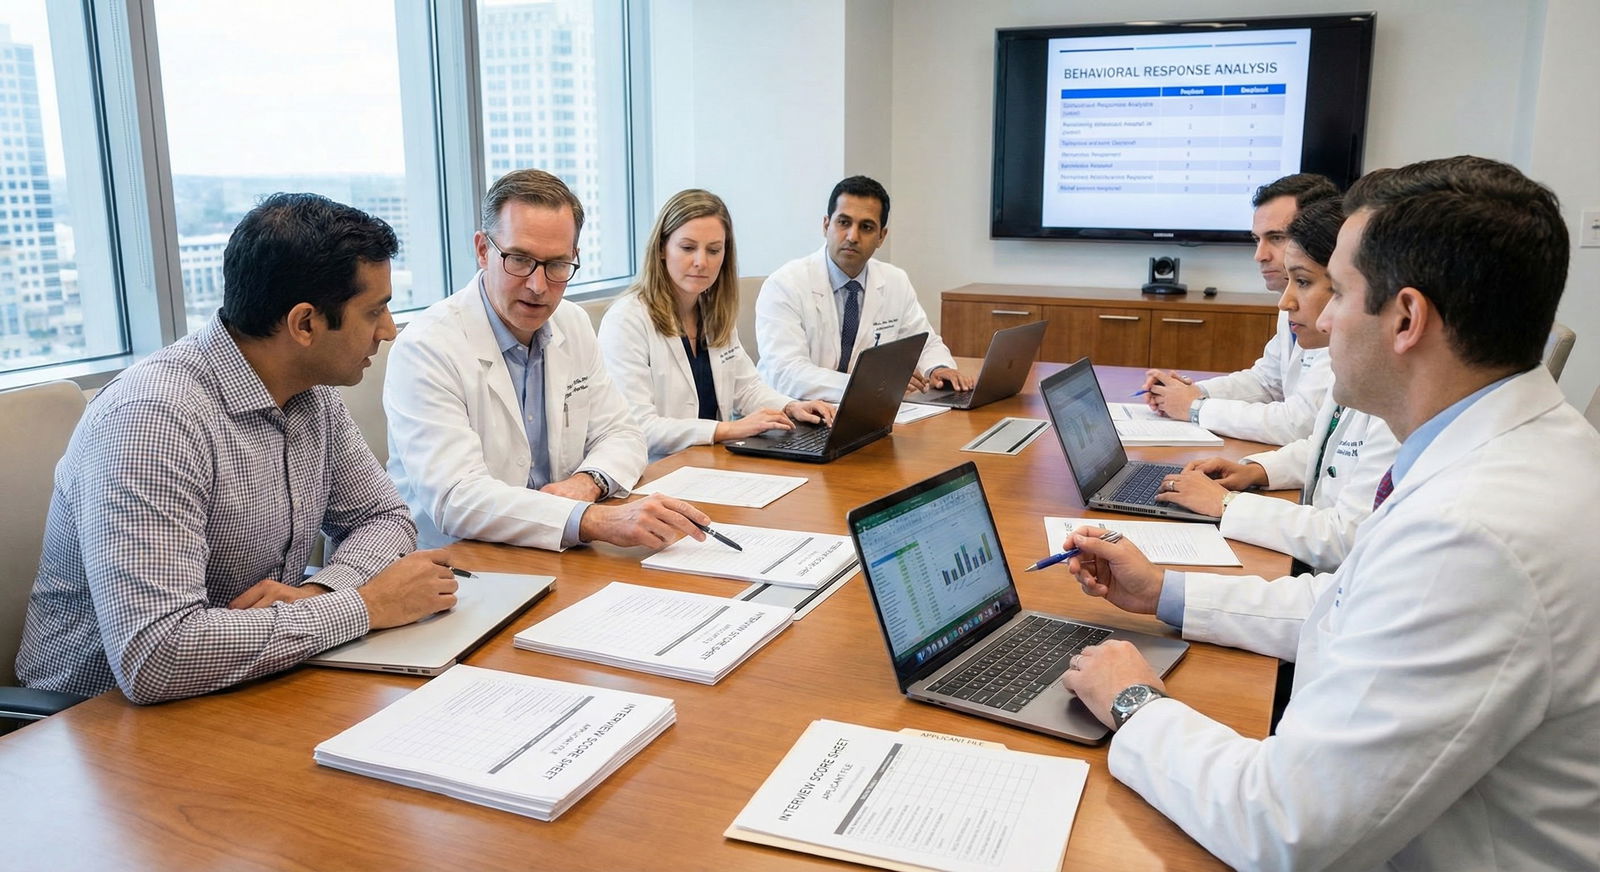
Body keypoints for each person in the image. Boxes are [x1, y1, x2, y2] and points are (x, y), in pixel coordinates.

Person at [1057, 156, 1600, 869]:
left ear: (1406, 318)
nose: (1314, 315)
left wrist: (1133, 704)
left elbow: (1285, 828)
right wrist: (1164, 591)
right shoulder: (1508, 452)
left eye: (1336, 291)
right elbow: (1348, 609)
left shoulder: (1473, 534)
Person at [15, 193, 458, 705]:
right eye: (374, 310)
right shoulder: (152, 420)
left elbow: (383, 518)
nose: (389, 330)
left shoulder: (309, 392)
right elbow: (156, 656)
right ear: (305, 324)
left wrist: (321, 593)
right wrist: (364, 606)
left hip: (253, 678)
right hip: (98, 718)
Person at [385, 169, 711, 551]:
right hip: (460, 560)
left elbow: (623, 434)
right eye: (519, 259)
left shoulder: (572, 323)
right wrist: (588, 519)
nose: (538, 286)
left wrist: (588, 482)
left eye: (557, 265)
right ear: (483, 250)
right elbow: (457, 498)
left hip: (557, 550)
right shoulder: (427, 347)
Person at [1152, 198, 1399, 573]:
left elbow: (1346, 536)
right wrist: (1257, 470)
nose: (1285, 302)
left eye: (1307, 282)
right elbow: (1324, 447)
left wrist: (1227, 504)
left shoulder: (1394, 400)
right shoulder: (1352, 361)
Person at [598, 189, 835, 462]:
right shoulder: (626, 320)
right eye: (688, 248)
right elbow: (638, 427)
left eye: (713, 250)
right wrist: (727, 429)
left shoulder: (712, 311)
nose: (701, 262)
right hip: (656, 469)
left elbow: (746, 388)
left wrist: (791, 407)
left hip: (710, 463)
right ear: (662, 248)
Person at [1142, 173, 1339, 445]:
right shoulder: (1290, 302)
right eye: (1257, 239)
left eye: (1276, 238)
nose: (1259, 255)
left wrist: (1195, 408)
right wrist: (1192, 392)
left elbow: (1300, 423)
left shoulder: (1337, 315)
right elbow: (1266, 382)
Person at [756, 175, 973, 401]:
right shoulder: (785, 284)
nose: (852, 236)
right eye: (843, 222)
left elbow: (924, 342)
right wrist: (868, 382)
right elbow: (786, 372)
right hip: (792, 409)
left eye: (866, 227)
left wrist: (938, 368)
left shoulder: (895, 281)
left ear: (881, 237)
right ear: (826, 225)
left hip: (863, 407)